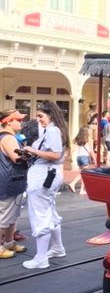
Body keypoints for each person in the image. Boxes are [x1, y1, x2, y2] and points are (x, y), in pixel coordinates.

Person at [22, 101, 69, 269]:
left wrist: (31, 150)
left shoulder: (52, 131)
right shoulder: (55, 130)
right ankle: (57, 247)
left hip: (43, 176)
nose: (38, 119)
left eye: (41, 115)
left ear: (50, 114)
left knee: (40, 215)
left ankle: (41, 258)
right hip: (48, 174)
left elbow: (55, 154)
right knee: (49, 211)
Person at [0, 109, 29, 259]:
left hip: (13, 181)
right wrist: (30, 153)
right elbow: (16, 157)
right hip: (9, 182)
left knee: (11, 216)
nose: (21, 122)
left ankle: (9, 243)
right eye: (18, 119)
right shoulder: (8, 138)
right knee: (5, 217)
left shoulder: (10, 137)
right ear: (8, 121)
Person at [68, 126, 94, 194]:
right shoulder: (89, 139)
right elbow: (91, 151)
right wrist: (95, 159)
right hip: (85, 157)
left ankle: (81, 190)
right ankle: (73, 183)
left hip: (78, 157)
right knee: (83, 174)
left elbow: (73, 149)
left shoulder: (78, 139)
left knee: (83, 173)